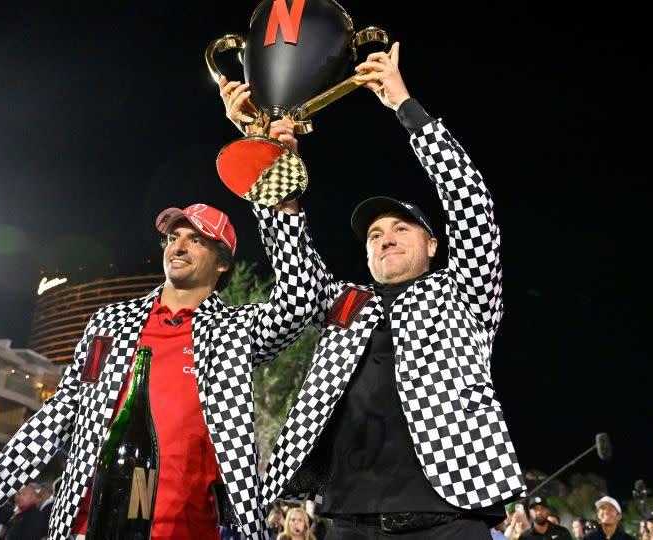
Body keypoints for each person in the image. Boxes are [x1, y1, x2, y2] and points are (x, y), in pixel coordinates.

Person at [221, 41, 526, 538]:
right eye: (374, 235)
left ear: (432, 245)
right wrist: (270, 162)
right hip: (348, 518)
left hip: (451, 518)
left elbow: (471, 201)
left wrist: (407, 108)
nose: (385, 237)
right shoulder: (346, 301)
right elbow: (295, 273)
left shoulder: (463, 292)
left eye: (401, 228)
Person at [0, 197, 319, 539]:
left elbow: (301, 300)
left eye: (195, 239)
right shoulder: (109, 323)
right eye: (173, 237)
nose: (178, 247)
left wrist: (279, 199)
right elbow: (58, 415)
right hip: (85, 527)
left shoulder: (237, 330)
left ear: (222, 265)